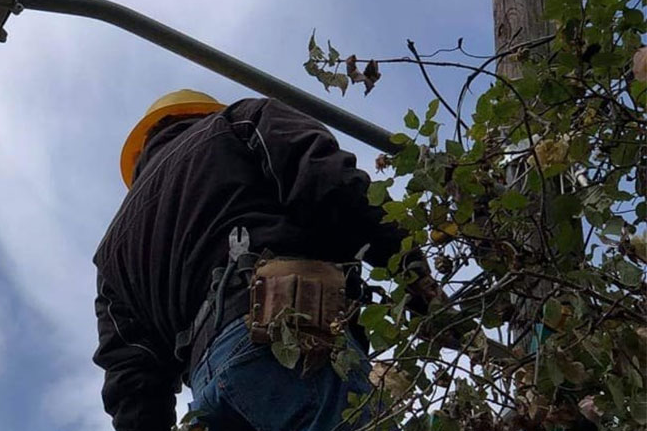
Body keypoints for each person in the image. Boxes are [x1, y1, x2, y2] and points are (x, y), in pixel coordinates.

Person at [93, 89, 439, 431]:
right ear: (202, 114)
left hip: (210, 397)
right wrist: (412, 270)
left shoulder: (113, 252)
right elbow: (330, 184)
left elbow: (130, 376)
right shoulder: (239, 121)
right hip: (283, 341)